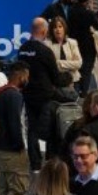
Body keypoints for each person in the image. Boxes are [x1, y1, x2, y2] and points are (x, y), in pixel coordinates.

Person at [17, 18, 62, 170]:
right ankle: (50, 161)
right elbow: (55, 76)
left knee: (32, 128)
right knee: (50, 127)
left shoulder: (22, 49)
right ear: (44, 31)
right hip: (45, 96)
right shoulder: (45, 51)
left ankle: (35, 164)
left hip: (28, 95)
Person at [0, 61, 30, 195]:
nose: (27, 79)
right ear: (19, 75)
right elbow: (15, 123)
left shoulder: (0, 92)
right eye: (26, 75)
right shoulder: (14, 95)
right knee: (18, 188)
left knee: (5, 188)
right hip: (11, 149)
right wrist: (19, 146)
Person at [67, 0, 98, 94]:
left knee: (75, 69)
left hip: (72, 44)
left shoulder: (71, 10)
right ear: (87, 0)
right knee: (86, 71)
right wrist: (92, 11)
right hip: (87, 46)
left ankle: (75, 92)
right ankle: (84, 93)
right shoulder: (88, 13)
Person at [44, 16, 82, 96]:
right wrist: (70, 64)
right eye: (55, 27)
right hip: (56, 82)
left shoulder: (72, 42)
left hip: (73, 81)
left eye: (60, 27)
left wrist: (60, 63)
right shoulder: (47, 44)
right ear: (51, 30)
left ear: (64, 28)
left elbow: (78, 63)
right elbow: (51, 66)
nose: (58, 30)